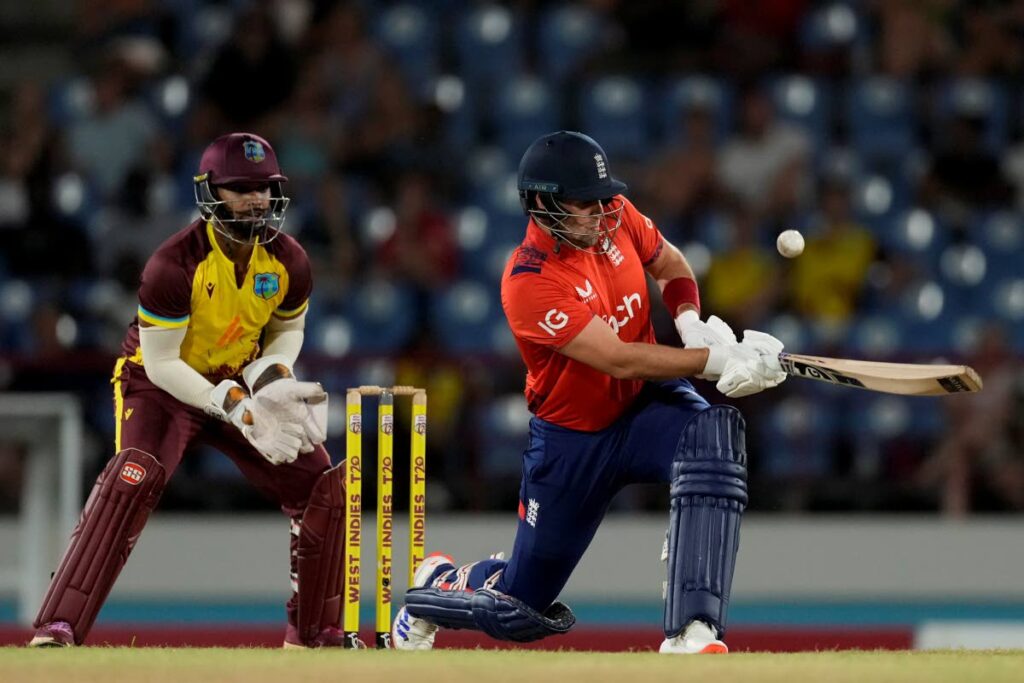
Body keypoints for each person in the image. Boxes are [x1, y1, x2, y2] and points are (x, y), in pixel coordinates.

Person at [391, 131, 787, 654]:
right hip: (572, 441)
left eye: (603, 198)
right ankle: (433, 589)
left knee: (711, 438)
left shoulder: (614, 212)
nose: (601, 212)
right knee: (519, 610)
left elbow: (670, 264)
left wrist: (691, 322)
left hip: (645, 405)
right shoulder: (527, 280)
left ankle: (694, 631)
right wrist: (715, 361)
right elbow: (618, 356)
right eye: (585, 201)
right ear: (542, 203)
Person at [28, 133, 354, 649]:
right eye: (241, 188)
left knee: (321, 486)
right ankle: (57, 627)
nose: (257, 200)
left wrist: (271, 379)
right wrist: (232, 404)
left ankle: (314, 636)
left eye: (264, 188)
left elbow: (288, 330)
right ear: (209, 193)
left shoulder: (289, 260)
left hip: (241, 383)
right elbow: (162, 363)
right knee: (133, 477)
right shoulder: (173, 264)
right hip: (161, 385)